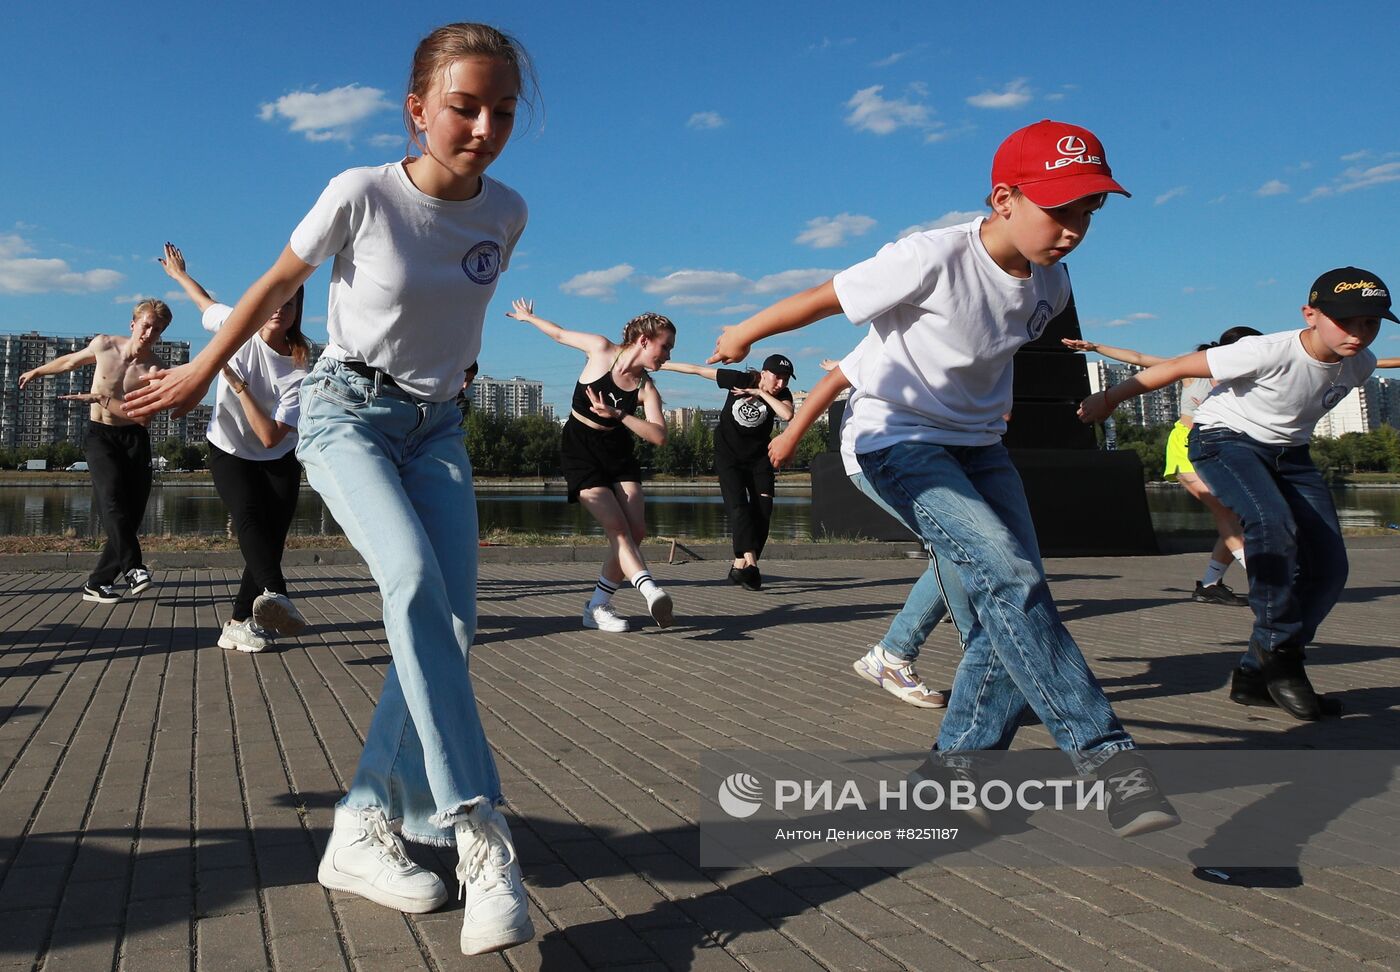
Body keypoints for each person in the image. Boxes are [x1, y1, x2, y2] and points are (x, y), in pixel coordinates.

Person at [127, 22, 537, 955]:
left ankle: (358, 827)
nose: (482, 127)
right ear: (418, 109)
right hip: (344, 413)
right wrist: (198, 375)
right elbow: (280, 279)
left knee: (453, 625)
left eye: (501, 111)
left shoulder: (506, 212)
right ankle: (483, 840)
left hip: (437, 429)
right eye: (463, 107)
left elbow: (453, 320)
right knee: (412, 585)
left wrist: (456, 381)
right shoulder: (361, 193)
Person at [709, 119, 1179, 837]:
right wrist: (745, 332)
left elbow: (989, 350)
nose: (1075, 229)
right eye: (1061, 210)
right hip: (896, 439)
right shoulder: (929, 256)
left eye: (1090, 210)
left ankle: (957, 771)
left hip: (981, 448)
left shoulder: (1052, 281)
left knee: (1013, 595)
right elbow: (825, 297)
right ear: (1004, 200)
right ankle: (1108, 759)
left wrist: (1000, 409)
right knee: (1010, 576)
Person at [1078, 267, 1392, 721]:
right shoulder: (1265, 350)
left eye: (1372, 323)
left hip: (1290, 455)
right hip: (1224, 440)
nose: (1360, 334)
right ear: (1311, 314)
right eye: (1348, 321)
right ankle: (1282, 658)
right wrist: (1109, 399)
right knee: (1270, 524)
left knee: (1328, 567)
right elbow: (1177, 366)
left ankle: (1252, 675)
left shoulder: (1359, 365)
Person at [769, 338, 948, 708]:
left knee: (963, 553)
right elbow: (835, 378)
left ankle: (909, 653)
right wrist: (789, 437)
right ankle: (896, 654)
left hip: (930, 451)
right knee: (956, 551)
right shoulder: (913, 314)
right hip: (877, 454)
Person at [159, 243, 311, 653]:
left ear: (297, 311)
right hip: (227, 448)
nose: (280, 308)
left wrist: (236, 383)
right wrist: (178, 275)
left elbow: (270, 436)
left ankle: (238, 623)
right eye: (276, 299)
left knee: (272, 539)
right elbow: (204, 302)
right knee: (247, 517)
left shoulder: (299, 365)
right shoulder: (234, 325)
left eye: (290, 303)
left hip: (277, 454)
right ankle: (277, 595)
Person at [1062, 327, 1264, 607]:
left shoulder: (1251, 378)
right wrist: (1096, 347)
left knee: (1238, 517)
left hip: (1224, 448)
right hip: (1185, 447)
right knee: (1226, 510)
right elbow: (1140, 357)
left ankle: (1209, 585)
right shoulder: (1197, 368)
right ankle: (1268, 579)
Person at [508, 298, 676, 631]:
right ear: (644, 341)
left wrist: (619, 414)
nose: (668, 355)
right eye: (665, 347)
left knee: (637, 531)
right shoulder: (600, 349)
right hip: (580, 447)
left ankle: (597, 606)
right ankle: (650, 589)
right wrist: (530, 318)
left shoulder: (646, 388)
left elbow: (659, 436)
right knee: (617, 528)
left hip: (617, 450)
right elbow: (559, 335)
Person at [20, 300, 172, 603]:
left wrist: (101, 399)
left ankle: (98, 583)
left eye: (157, 329)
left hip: (134, 440)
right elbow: (70, 362)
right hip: (100, 437)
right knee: (111, 497)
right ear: (133, 324)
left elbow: (143, 418)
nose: (149, 333)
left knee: (132, 514)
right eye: (146, 325)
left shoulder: (154, 368)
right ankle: (134, 569)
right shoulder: (104, 345)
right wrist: (37, 371)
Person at [660, 354, 795, 590]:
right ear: (763, 374)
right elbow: (697, 369)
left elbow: (787, 415)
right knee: (739, 507)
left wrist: (761, 394)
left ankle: (738, 568)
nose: (781, 384)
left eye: (786, 379)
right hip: (729, 457)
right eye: (777, 377)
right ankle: (751, 567)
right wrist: (662, 364)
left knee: (763, 513)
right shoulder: (739, 379)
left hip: (758, 459)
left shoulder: (783, 395)